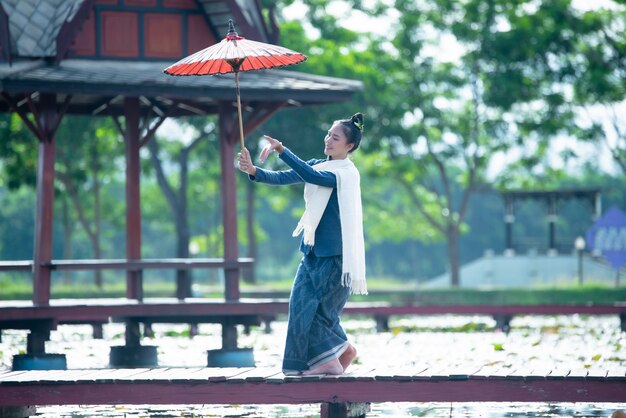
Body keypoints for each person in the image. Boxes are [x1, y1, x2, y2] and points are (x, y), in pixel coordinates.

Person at [236, 112, 367, 376]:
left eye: (336, 137)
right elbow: (286, 177)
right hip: (312, 251)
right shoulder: (320, 165)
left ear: (349, 146)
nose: (329, 139)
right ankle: (338, 353)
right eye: (329, 134)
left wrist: (282, 150)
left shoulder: (345, 174)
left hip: (335, 256)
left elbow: (309, 175)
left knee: (320, 314)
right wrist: (254, 171)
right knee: (298, 306)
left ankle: (332, 360)